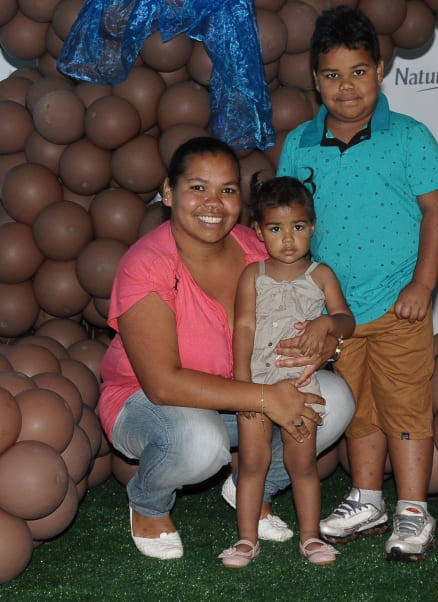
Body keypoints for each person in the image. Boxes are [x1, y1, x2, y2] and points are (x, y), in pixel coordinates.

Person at [96, 136, 355, 561]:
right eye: (198, 187)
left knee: (333, 399)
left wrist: (323, 344)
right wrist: (265, 398)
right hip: (150, 402)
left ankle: (253, 487)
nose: (213, 203)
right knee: (199, 441)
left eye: (228, 189)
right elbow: (162, 385)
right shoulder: (147, 264)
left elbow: (317, 313)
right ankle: (148, 505)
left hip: (246, 392)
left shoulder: (258, 247)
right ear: (168, 192)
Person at [275, 5, 438, 563]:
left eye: (358, 72)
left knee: (405, 404)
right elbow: (288, 224)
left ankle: (414, 509)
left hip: (399, 305)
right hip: (337, 313)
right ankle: (368, 498)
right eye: (332, 75)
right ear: (315, 80)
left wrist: (423, 285)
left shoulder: (409, 136)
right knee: (357, 408)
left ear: (380, 70)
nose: (346, 86)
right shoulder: (299, 144)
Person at [223, 177, 355, 567]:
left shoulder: (321, 274)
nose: (288, 239)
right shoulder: (253, 275)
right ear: (259, 231)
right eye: (276, 229)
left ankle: (310, 537)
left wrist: (326, 323)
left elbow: (347, 321)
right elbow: (243, 326)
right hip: (257, 386)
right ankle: (246, 540)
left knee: (302, 464)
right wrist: (242, 384)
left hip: (301, 384)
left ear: (312, 226)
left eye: (297, 226)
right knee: (252, 463)